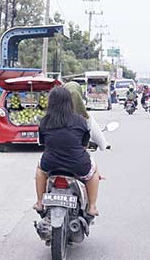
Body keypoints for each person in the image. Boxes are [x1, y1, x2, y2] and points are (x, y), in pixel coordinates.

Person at [34, 86, 101, 216]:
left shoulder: (44, 121)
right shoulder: (80, 120)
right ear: (69, 102)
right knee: (94, 171)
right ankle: (92, 207)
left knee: (39, 169)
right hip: (78, 165)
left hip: (50, 164)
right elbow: (84, 144)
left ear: (50, 102)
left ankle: (40, 202)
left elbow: (43, 143)